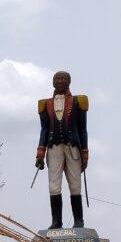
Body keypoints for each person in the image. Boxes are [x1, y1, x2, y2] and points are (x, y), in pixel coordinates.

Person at [35, 70, 88, 230]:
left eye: (62, 79)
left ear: (68, 82)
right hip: (53, 147)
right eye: (56, 79)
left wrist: (85, 153)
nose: (59, 81)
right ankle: (56, 222)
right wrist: (40, 154)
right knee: (54, 185)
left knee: (75, 184)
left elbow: (83, 129)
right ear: (52, 82)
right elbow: (44, 130)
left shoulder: (79, 102)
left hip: (73, 147)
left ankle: (79, 221)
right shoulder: (45, 104)